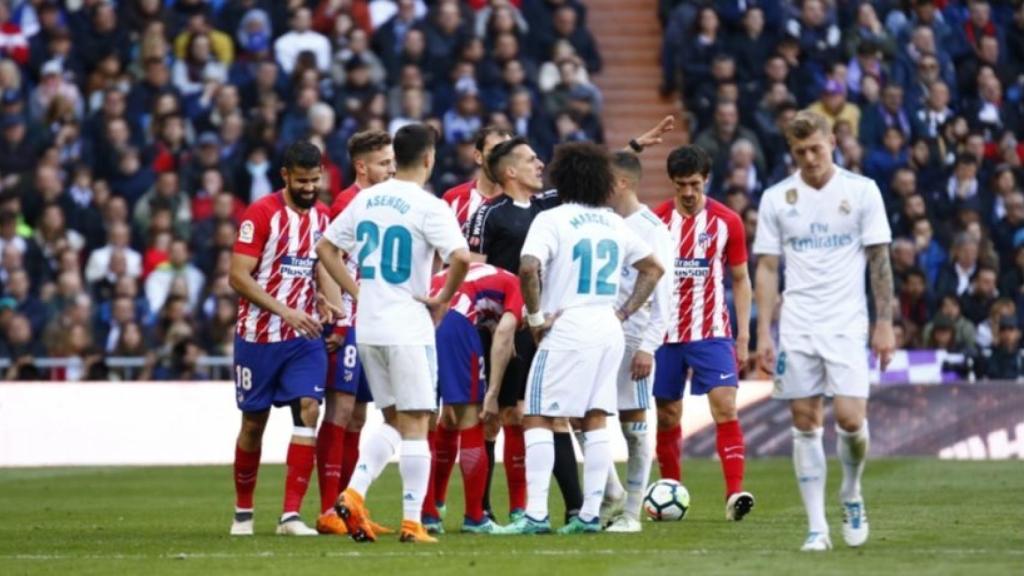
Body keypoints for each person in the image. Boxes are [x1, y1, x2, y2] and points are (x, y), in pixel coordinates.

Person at [498, 141, 664, 535]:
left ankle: (536, 515)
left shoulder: (552, 219)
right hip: (608, 328)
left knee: (538, 415)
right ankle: (589, 515)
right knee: (594, 418)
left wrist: (536, 318)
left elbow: (527, 267)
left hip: (567, 326)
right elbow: (653, 269)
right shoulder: (613, 222)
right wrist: (623, 313)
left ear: (564, 177)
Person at [316, 123, 471, 544]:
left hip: (369, 327)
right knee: (420, 419)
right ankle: (411, 522)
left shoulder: (365, 199)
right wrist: (443, 299)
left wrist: (356, 291)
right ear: (428, 158)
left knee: (393, 419)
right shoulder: (429, 206)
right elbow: (459, 256)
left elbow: (325, 248)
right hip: (407, 326)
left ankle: (352, 495)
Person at [754, 110, 895, 551]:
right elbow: (768, 266)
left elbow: (879, 260)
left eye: (816, 148)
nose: (810, 158)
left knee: (852, 420)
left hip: (847, 322)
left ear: (833, 140)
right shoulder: (778, 198)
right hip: (797, 324)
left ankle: (851, 492)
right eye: (800, 152)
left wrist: (885, 322)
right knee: (805, 420)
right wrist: (763, 333)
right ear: (791, 153)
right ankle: (817, 527)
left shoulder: (862, 191)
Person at [228, 140, 335, 537]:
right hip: (258, 336)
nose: (310, 188)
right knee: (254, 424)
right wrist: (283, 309)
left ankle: (290, 515)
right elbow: (237, 276)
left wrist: (323, 298)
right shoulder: (261, 215)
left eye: (315, 180)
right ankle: (243, 511)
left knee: (310, 408)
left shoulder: (323, 219)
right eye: (302, 181)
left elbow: (317, 267)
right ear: (285, 176)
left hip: (303, 336)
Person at [651, 145, 756, 522]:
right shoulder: (655, 222)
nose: (689, 193)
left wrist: (744, 336)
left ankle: (734, 494)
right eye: (681, 185)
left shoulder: (728, 222)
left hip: (711, 331)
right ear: (672, 183)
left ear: (706, 180)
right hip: (664, 334)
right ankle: (672, 491)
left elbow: (741, 280)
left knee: (725, 405)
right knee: (667, 415)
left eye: (695, 184)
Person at [315, 129, 395, 536]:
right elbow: (326, 260)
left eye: (393, 161)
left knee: (359, 415)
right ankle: (329, 507)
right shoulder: (348, 203)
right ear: (361, 166)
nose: (392, 169)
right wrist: (342, 317)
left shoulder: (380, 203)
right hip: (350, 322)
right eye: (383, 162)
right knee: (341, 411)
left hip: (373, 321)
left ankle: (347, 505)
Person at [599, 151, 673, 533]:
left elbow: (665, 298)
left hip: (633, 339)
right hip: (599, 335)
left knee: (634, 423)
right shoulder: (606, 223)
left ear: (622, 183)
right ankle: (610, 491)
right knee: (582, 416)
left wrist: (648, 346)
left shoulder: (653, 228)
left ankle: (630, 514)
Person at [424, 262, 524, 534]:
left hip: (420, 318)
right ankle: (475, 517)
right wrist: (492, 394)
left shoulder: (486, 275)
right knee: (471, 418)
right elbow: (504, 333)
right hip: (456, 320)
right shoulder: (518, 286)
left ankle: (428, 514)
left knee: (423, 421)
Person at [442, 126, 514, 233]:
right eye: (495, 151)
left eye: (507, 153)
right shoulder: (453, 199)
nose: (501, 159)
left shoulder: (524, 203)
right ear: (478, 157)